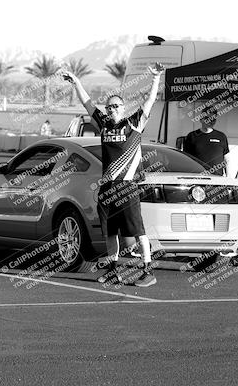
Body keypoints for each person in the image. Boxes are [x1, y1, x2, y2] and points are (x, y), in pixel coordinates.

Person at [62, 62, 164, 287]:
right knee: (110, 233)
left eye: (116, 106)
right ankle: (111, 270)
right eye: (109, 107)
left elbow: (149, 101)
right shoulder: (105, 125)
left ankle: (148, 271)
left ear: (124, 107)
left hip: (127, 187)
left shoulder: (134, 124)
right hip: (108, 188)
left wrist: (156, 77)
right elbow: (88, 103)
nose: (112, 110)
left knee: (138, 232)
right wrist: (76, 82)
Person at [184, 106, 230, 176]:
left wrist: (228, 176)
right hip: (197, 177)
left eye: (213, 119)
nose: (210, 121)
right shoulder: (192, 136)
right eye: (207, 118)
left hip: (217, 178)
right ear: (201, 119)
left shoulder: (221, 136)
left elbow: (226, 159)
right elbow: (186, 159)